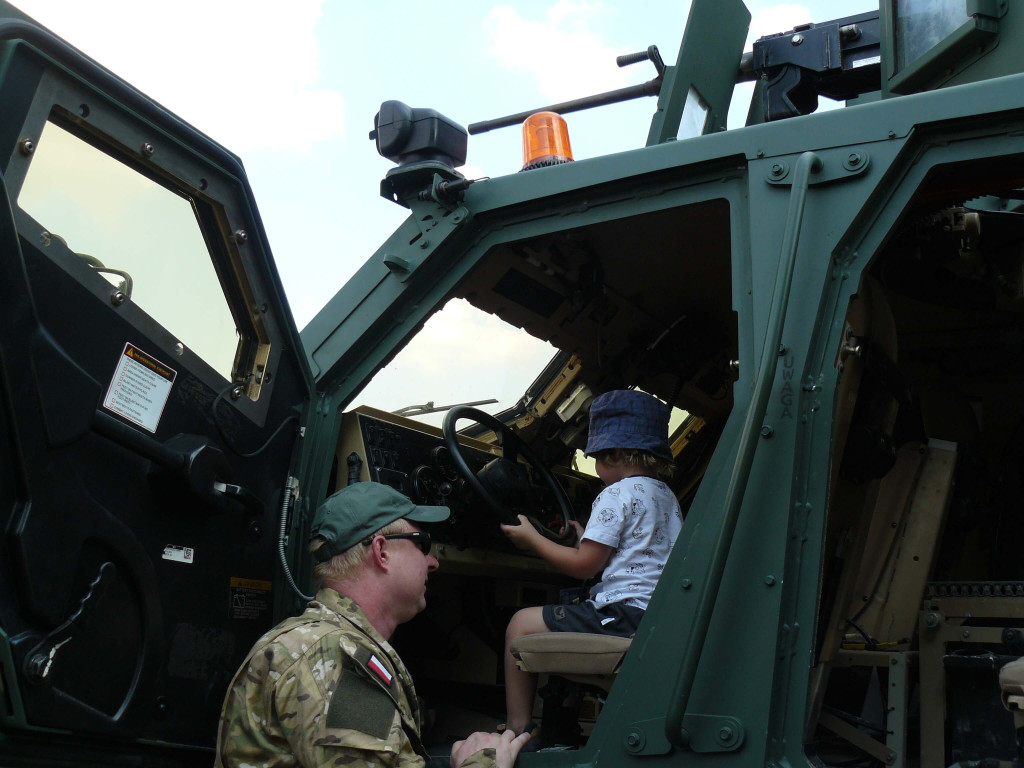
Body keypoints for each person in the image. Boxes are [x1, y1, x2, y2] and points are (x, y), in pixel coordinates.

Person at [215, 481, 532, 768]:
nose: (433, 561)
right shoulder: (332, 659)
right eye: (422, 543)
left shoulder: (326, 645)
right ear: (381, 552)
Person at [499, 389, 683, 740]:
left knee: (520, 624)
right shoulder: (664, 495)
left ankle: (518, 728)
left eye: (596, 458)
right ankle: (562, 719)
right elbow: (632, 553)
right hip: (652, 615)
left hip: (622, 616)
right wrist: (588, 535)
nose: (596, 469)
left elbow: (584, 566)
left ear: (613, 454)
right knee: (572, 604)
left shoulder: (615, 494)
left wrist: (531, 539)